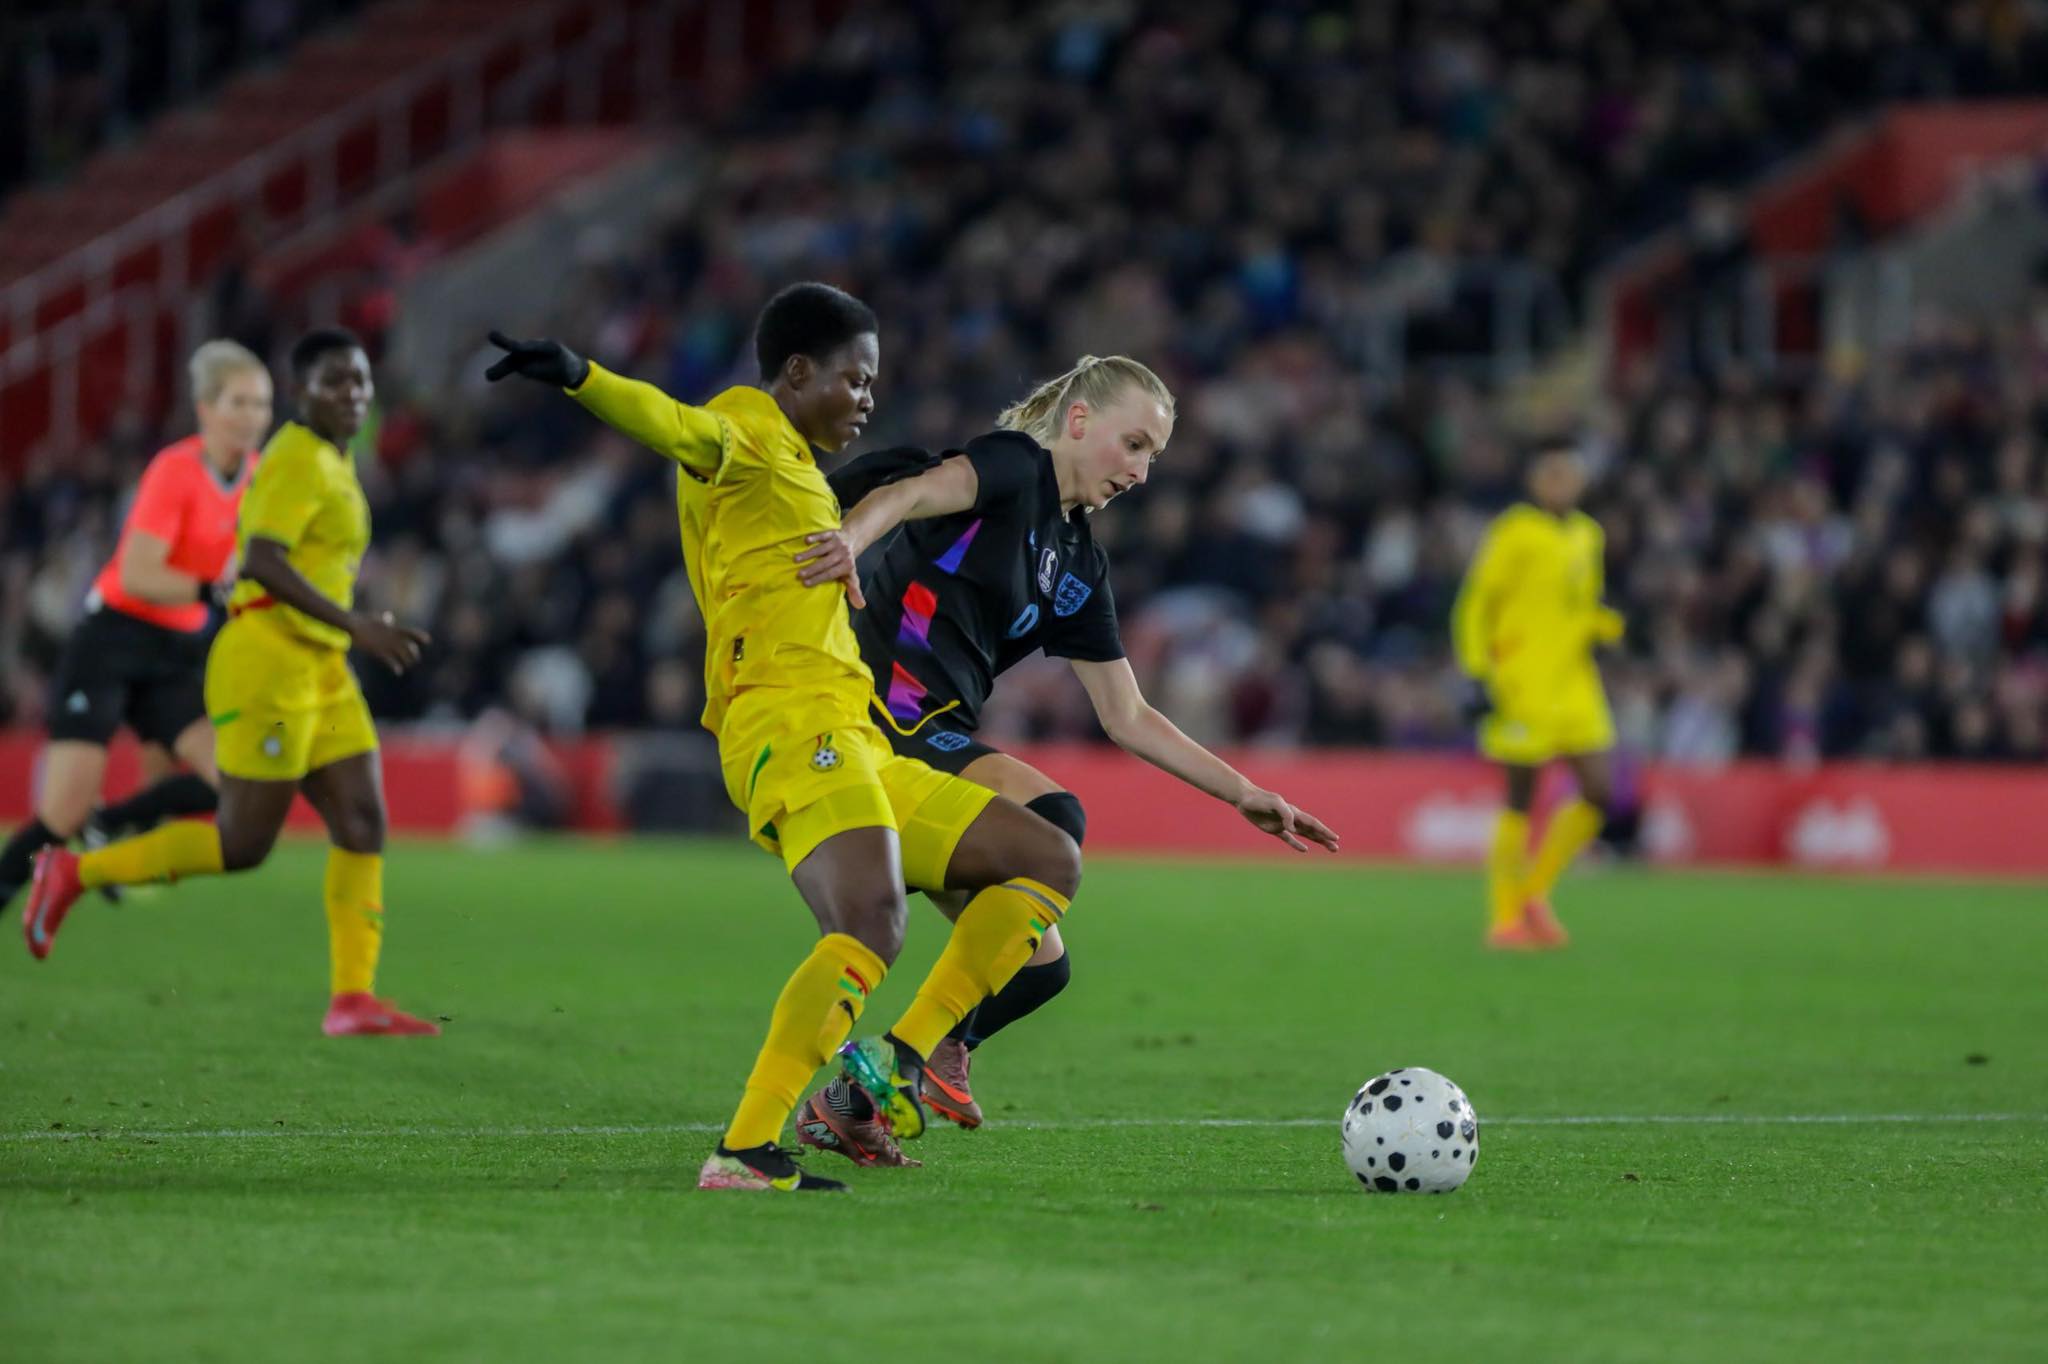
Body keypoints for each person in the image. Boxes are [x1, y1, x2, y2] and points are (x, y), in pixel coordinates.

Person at [483, 282, 1083, 1193]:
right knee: (871, 923)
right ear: (798, 372)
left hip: (854, 730)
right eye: (855, 379)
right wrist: (578, 375)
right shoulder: (751, 427)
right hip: (789, 719)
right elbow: (678, 425)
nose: (867, 398)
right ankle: (747, 1148)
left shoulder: (794, 472)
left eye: (875, 384)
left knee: (1047, 857)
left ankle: (904, 1061)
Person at [787, 354, 1339, 1152]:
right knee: (1056, 817)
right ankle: (901, 1062)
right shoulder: (1014, 469)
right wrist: (847, 540)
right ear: (1079, 421)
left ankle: (854, 1099)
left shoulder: (1079, 566)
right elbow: (908, 493)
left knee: (1041, 967)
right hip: (878, 713)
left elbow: (1128, 714)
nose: (1143, 471)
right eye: (1135, 444)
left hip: (933, 736)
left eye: (1153, 455)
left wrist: (1244, 792)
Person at [23, 329, 441, 1037]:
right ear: (302, 392)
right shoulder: (293, 460)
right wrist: (358, 623)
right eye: (336, 382)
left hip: (322, 666)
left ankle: (352, 998)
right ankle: (71, 873)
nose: (354, 395)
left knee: (363, 821)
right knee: (243, 844)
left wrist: (346, 629)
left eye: (362, 382)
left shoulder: (337, 461)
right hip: (269, 664)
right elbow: (261, 562)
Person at [0, 341, 269, 914]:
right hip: (113, 639)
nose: (252, 417)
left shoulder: (260, 480)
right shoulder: (175, 471)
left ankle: (112, 820)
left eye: (261, 404)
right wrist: (217, 589)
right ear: (205, 408)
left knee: (241, 785)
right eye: (238, 402)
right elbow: (142, 572)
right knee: (60, 813)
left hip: (178, 650)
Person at [1450, 439, 1624, 950]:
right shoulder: (1515, 532)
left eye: (1567, 475)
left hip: (1574, 684)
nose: (1559, 484)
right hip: (1519, 683)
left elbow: (1580, 604)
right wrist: (1477, 672)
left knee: (1599, 791)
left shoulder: (1588, 536)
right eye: (1550, 474)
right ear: (1534, 481)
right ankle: (1504, 919)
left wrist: (1608, 628)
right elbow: (1476, 605)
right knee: (1520, 799)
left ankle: (1534, 891)